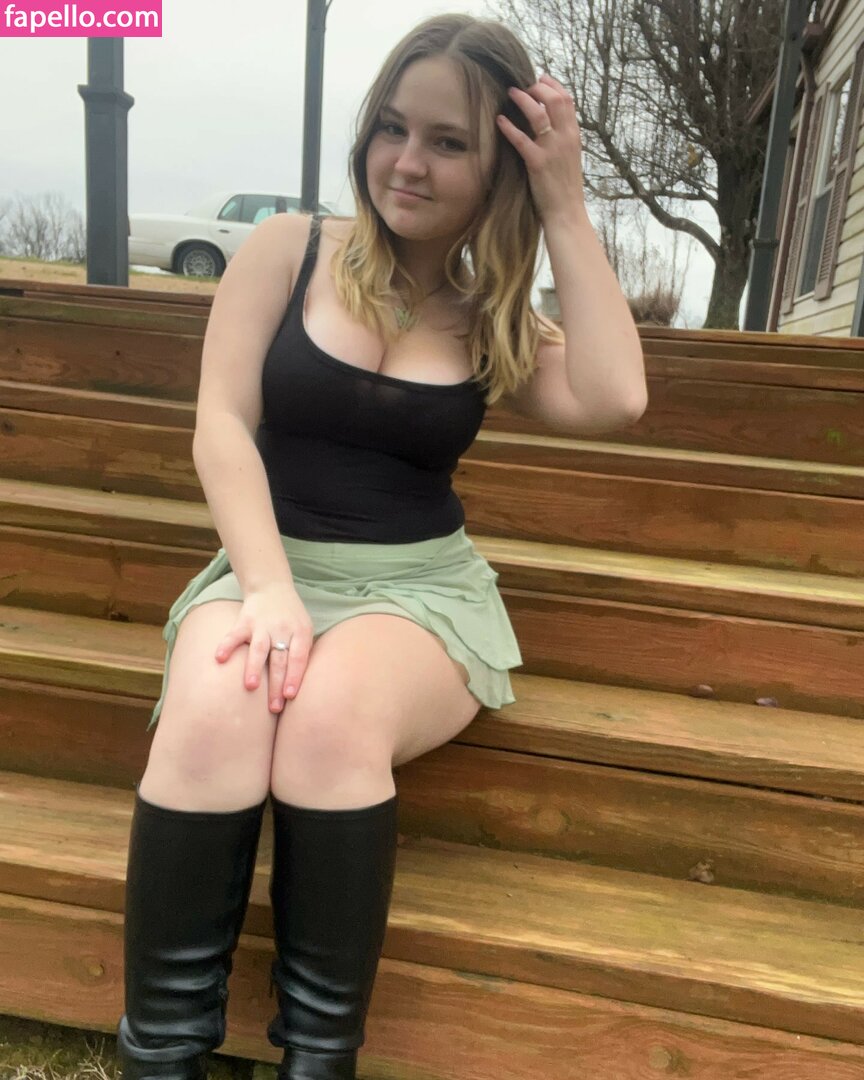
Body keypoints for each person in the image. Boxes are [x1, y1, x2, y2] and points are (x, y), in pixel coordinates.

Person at [116, 11, 646, 1080]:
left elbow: (615, 397)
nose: (408, 161)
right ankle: (160, 1060)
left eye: (449, 142)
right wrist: (267, 587)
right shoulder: (288, 249)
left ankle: (319, 1063)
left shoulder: (489, 313)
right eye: (394, 128)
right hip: (265, 567)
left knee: (326, 717)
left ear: (499, 165)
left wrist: (565, 204)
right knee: (216, 706)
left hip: (417, 597)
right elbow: (221, 425)